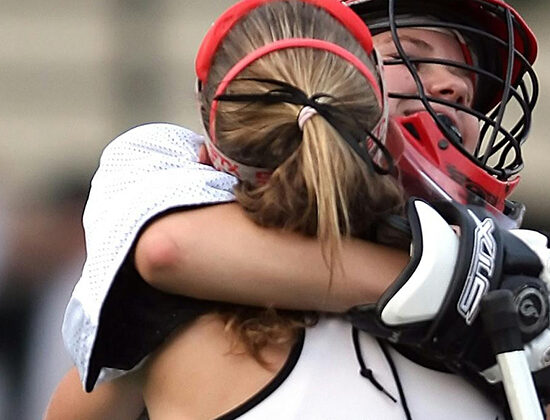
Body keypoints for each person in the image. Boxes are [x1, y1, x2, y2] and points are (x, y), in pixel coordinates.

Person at [45, 0, 547, 419]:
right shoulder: (187, 219)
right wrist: (447, 283)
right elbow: (168, 248)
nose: (456, 88)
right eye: (410, 57)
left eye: (468, 81)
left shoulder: (517, 293)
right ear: (327, 66)